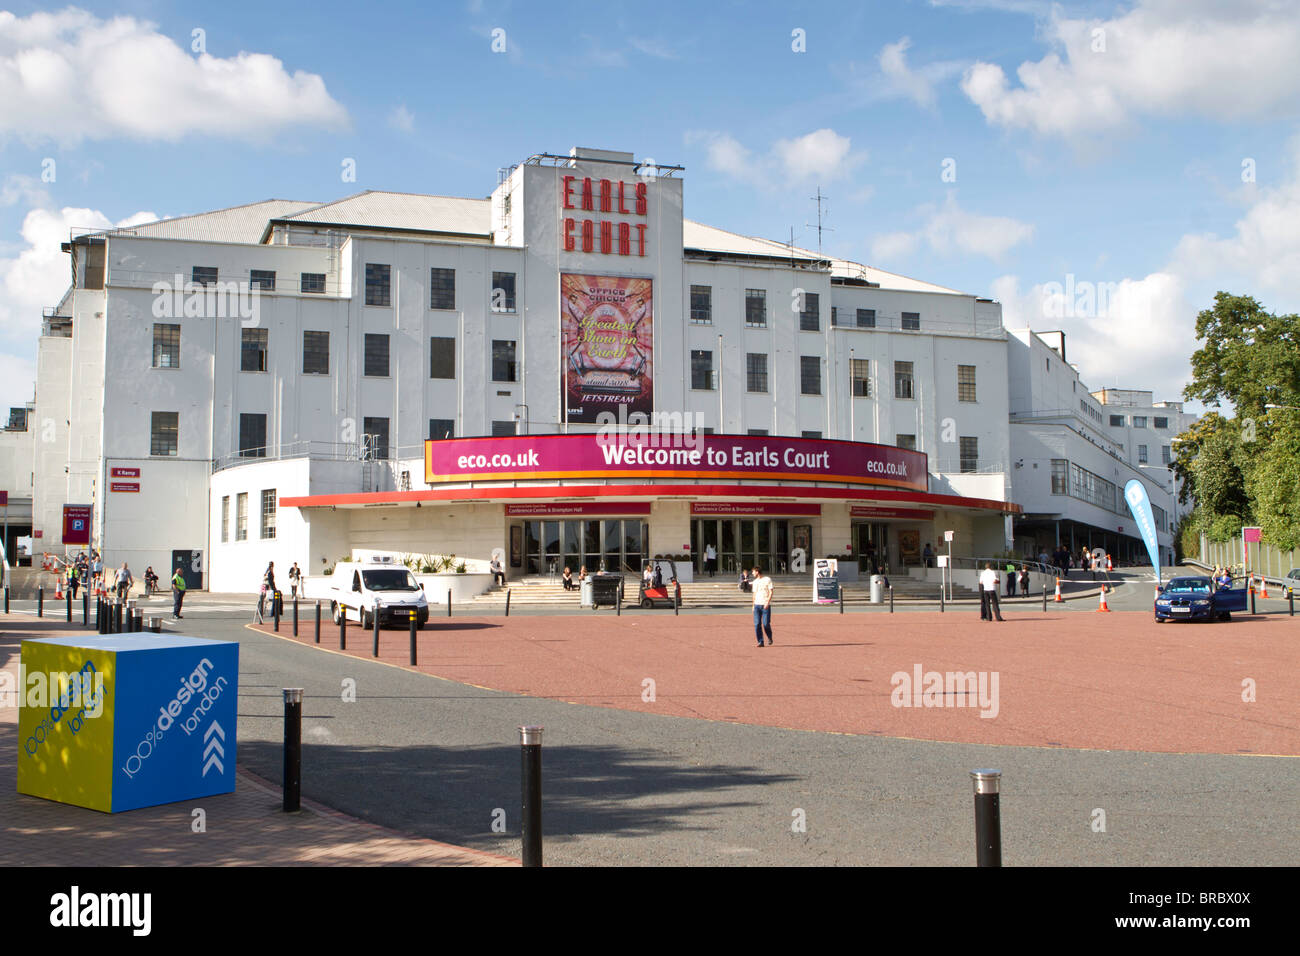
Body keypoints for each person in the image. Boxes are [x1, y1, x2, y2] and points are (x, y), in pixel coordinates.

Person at [751, 565, 774, 647]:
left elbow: (771, 591)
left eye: (753, 571)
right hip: (757, 605)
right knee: (757, 624)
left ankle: (770, 637)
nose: (752, 573)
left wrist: (767, 602)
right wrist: (753, 605)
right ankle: (760, 641)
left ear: (757, 572)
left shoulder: (767, 579)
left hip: (765, 605)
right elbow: (754, 594)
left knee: (765, 624)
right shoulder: (755, 582)